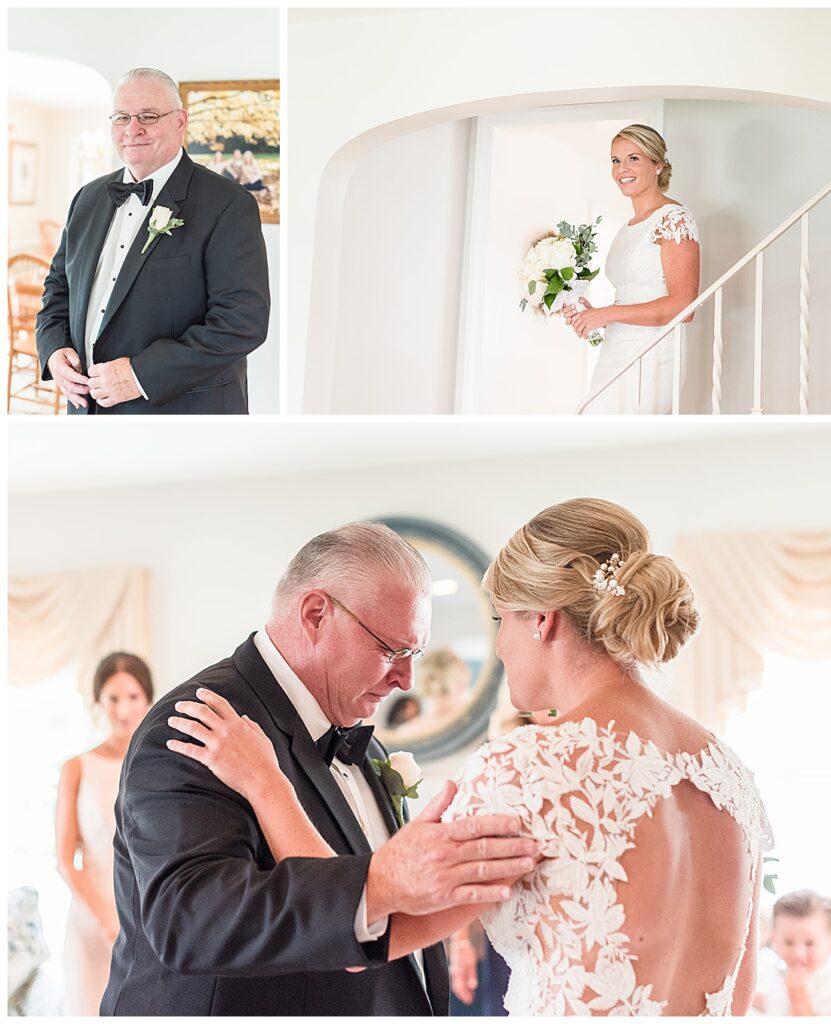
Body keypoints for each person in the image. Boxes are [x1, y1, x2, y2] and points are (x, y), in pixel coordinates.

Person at [168, 499, 773, 1016]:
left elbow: (358, 937)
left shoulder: (530, 769)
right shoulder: (728, 775)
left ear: (543, 620)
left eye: (500, 619)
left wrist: (266, 783)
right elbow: (738, 993)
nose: (500, 647)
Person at [101, 522, 538, 1016]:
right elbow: (191, 922)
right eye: (391, 650)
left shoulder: (365, 746)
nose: (406, 679)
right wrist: (381, 880)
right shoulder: (198, 724)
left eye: (413, 655)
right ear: (315, 614)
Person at [36, 68, 270, 415]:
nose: (133, 129)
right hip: (87, 413)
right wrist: (54, 350)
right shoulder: (86, 198)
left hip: (183, 413)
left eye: (148, 116)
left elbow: (242, 322)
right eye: (122, 117)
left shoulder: (229, 204)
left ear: (180, 122)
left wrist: (140, 375)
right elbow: (57, 289)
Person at [564, 125, 701, 414]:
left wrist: (608, 313)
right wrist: (594, 314)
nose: (622, 169)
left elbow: (684, 307)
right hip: (616, 349)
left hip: (654, 352)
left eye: (633, 158)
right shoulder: (627, 228)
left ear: (657, 165)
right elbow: (635, 296)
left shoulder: (674, 219)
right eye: (616, 160)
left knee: (613, 442)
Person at [55, 653, 153, 1014]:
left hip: (147, 921)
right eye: (112, 698)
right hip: (91, 922)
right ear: (98, 702)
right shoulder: (77, 767)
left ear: (148, 700)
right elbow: (65, 860)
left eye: (132, 697)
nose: (122, 709)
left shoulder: (159, 766)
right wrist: (108, 923)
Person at [754, 889, 831, 1015]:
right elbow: (774, 1004)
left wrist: (798, 1000)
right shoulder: (789, 974)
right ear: (774, 940)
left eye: (810, 944)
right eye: (788, 942)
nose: (798, 954)